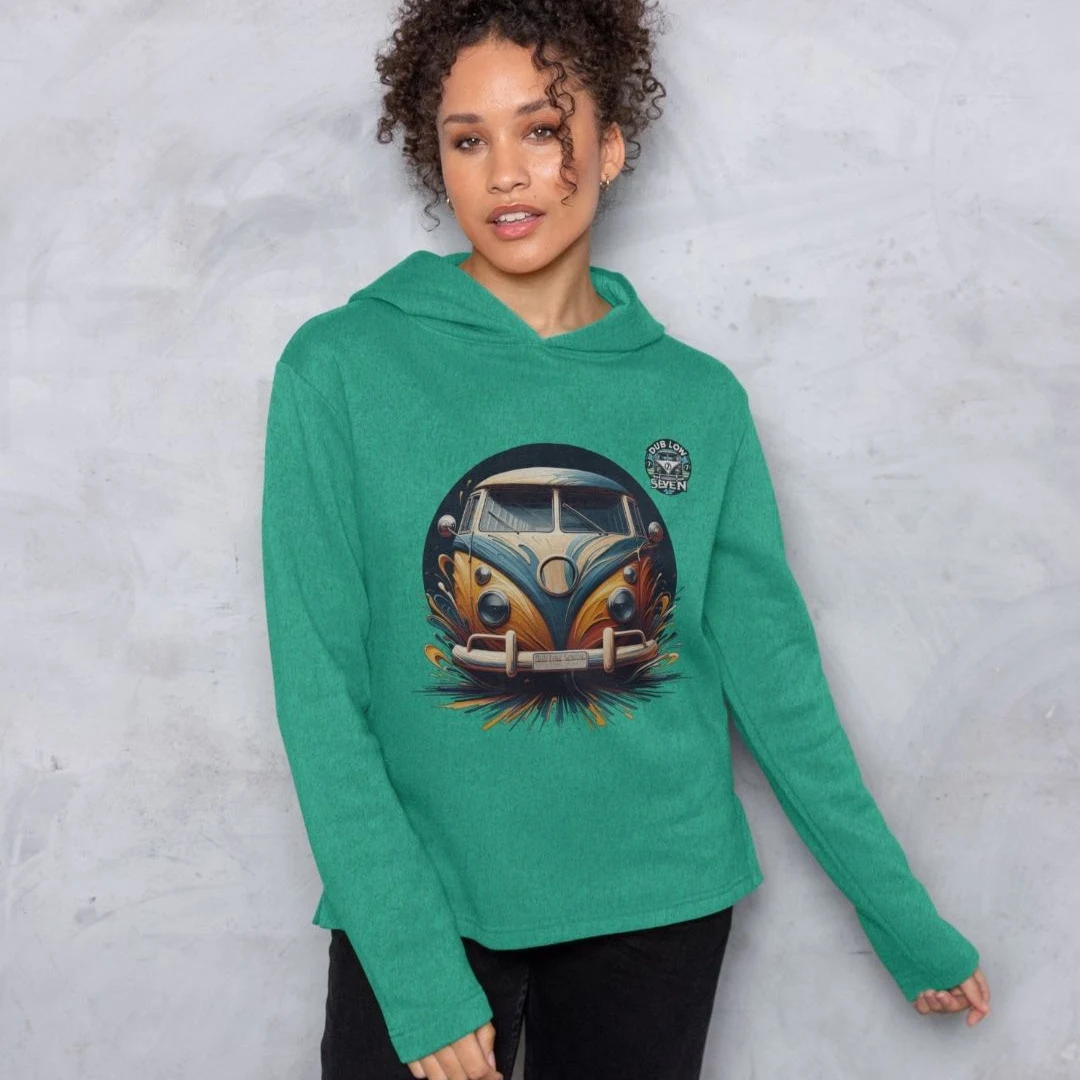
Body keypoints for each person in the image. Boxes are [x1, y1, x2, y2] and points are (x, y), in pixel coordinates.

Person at [259, 2, 992, 1078]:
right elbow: (320, 693)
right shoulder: (339, 370)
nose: (506, 173)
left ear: (607, 146)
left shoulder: (696, 399)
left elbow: (778, 685)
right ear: (435, 157)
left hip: (659, 904)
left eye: (540, 129)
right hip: (424, 899)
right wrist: (411, 971)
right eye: (468, 140)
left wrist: (901, 916)